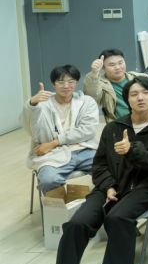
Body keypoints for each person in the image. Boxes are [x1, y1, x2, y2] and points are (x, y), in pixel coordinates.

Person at [54, 75, 148, 264]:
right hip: (113, 185)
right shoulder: (114, 127)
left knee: (117, 218)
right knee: (77, 223)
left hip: (147, 185)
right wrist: (108, 185)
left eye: (146, 93)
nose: (140, 98)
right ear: (126, 99)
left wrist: (132, 150)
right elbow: (99, 164)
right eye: (134, 94)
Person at [21, 65, 99, 193]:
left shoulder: (86, 102)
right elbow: (32, 129)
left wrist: (55, 142)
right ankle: (62, 205)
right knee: (48, 180)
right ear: (53, 83)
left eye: (71, 82)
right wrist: (32, 104)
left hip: (84, 149)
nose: (66, 86)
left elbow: (88, 130)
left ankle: (101, 199)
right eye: (61, 82)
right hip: (52, 154)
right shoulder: (42, 104)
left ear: (76, 82)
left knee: (112, 168)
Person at [83, 49, 143, 120]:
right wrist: (94, 73)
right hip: (119, 123)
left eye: (120, 63)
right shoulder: (100, 85)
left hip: (146, 120)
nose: (117, 67)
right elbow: (92, 98)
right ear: (103, 68)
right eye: (112, 65)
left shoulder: (140, 78)